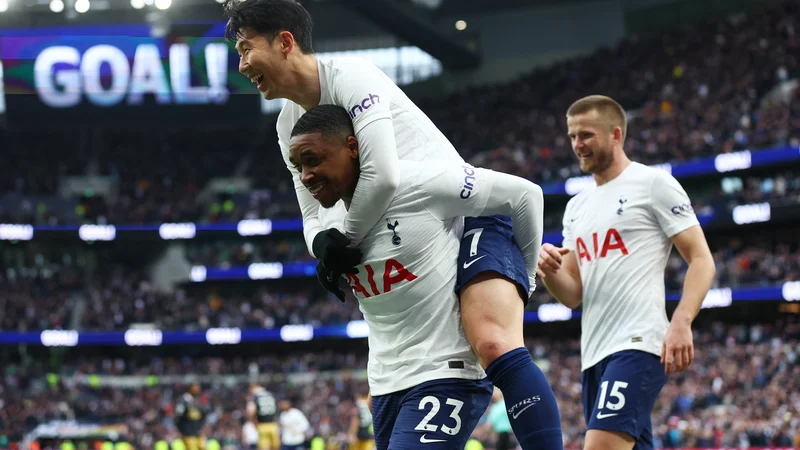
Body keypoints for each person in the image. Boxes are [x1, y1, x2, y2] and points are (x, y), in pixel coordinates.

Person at [224, 3, 561, 447]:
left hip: (467, 214)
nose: (241, 63)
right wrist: (321, 247)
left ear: (285, 42)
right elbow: (311, 214)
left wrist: (343, 239)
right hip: (410, 236)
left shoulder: (352, 79)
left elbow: (383, 176)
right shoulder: (290, 124)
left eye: (247, 48)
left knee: (493, 343)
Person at [286, 104, 557, 449]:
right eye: (299, 166)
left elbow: (524, 195)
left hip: (446, 372)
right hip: (387, 385)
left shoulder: (413, 183)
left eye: (313, 159)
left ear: (352, 147)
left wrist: (526, 281)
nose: (306, 174)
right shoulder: (329, 223)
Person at [536, 95, 716, 450]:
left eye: (586, 135)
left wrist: (681, 321)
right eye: (572, 136)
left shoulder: (652, 184)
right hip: (595, 354)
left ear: (616, 134)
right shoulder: (576, 207)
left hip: (638, 343)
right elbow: (573, 295)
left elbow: (701, 258)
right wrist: (549, 271)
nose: (577, 145)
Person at [175, 383, 208, 450]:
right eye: (195, 388)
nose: (197, 390)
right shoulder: (183, 401)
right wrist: (180, 431)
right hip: (189, 434)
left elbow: (203, 417)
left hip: (198, 434)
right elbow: (178, 417)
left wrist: (202, 428)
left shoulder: (199, 401)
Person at [247, 385, 280, 450]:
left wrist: (253, 421)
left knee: (263, 446)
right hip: (273, 424)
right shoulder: (271, 395)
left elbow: (251, 411)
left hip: (262, 425)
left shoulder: (256, 397)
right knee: (275, 446)